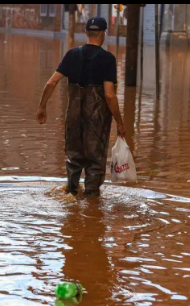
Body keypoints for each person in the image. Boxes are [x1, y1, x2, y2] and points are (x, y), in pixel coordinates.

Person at [36, 17, 125, 197]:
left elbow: (51, 82)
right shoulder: (107, 59)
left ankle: (71, 194)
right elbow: (109, 95)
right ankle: (92, 205)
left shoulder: (72, 55)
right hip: (97, 121)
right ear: (103, 34)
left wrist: (42, 107)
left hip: (73, 118)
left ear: (86, 33)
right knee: (95, 161)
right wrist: (120, 122)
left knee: (74, 158)